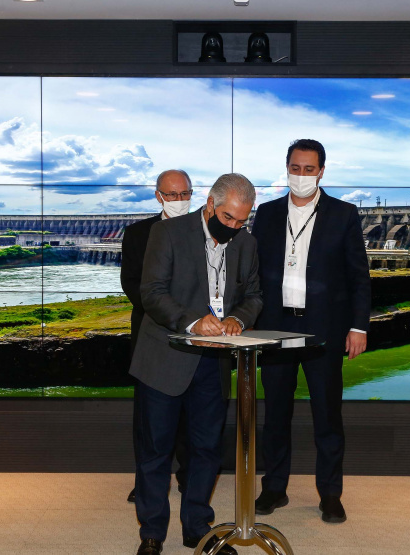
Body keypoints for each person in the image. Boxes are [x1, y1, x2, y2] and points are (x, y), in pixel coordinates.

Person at [131, 173, 262, 555]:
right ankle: (152, 533)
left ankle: (197, 529)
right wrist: (192, 321)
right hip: (165, 358)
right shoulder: (168, 233)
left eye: (242, 220)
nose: (234, 227)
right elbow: (151, 292)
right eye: (228, 218)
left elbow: (254, 295)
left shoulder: (247, 243)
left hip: (212, 363)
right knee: (155, 450)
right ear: (209, 205)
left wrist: (237, 318)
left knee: (206, 449)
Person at [251, 139, 371, 524]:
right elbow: (252, 272)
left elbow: (359, 276)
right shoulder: (267, 214)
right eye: (295, 168)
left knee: (327, 415)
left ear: (321, 171)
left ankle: (330, 495)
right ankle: (274, 487)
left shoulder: (343, 214)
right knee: (275, 414)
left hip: (324, 329)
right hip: (275, 327)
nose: (300, 175)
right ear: (286, 167)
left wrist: (358, 326)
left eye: (308, 169)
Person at [121, 169, 193, 503]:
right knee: (148, 417)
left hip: (196, 337)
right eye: (172, 194)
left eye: (184, 194)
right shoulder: (138, 233)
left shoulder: (207, 230)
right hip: (152, 334)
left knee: (192, 415)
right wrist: (172, 316)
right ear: (158, 196)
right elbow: (132, 284)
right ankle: (147, 482)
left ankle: (190, 478)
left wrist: (193, 321)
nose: (179, 200)